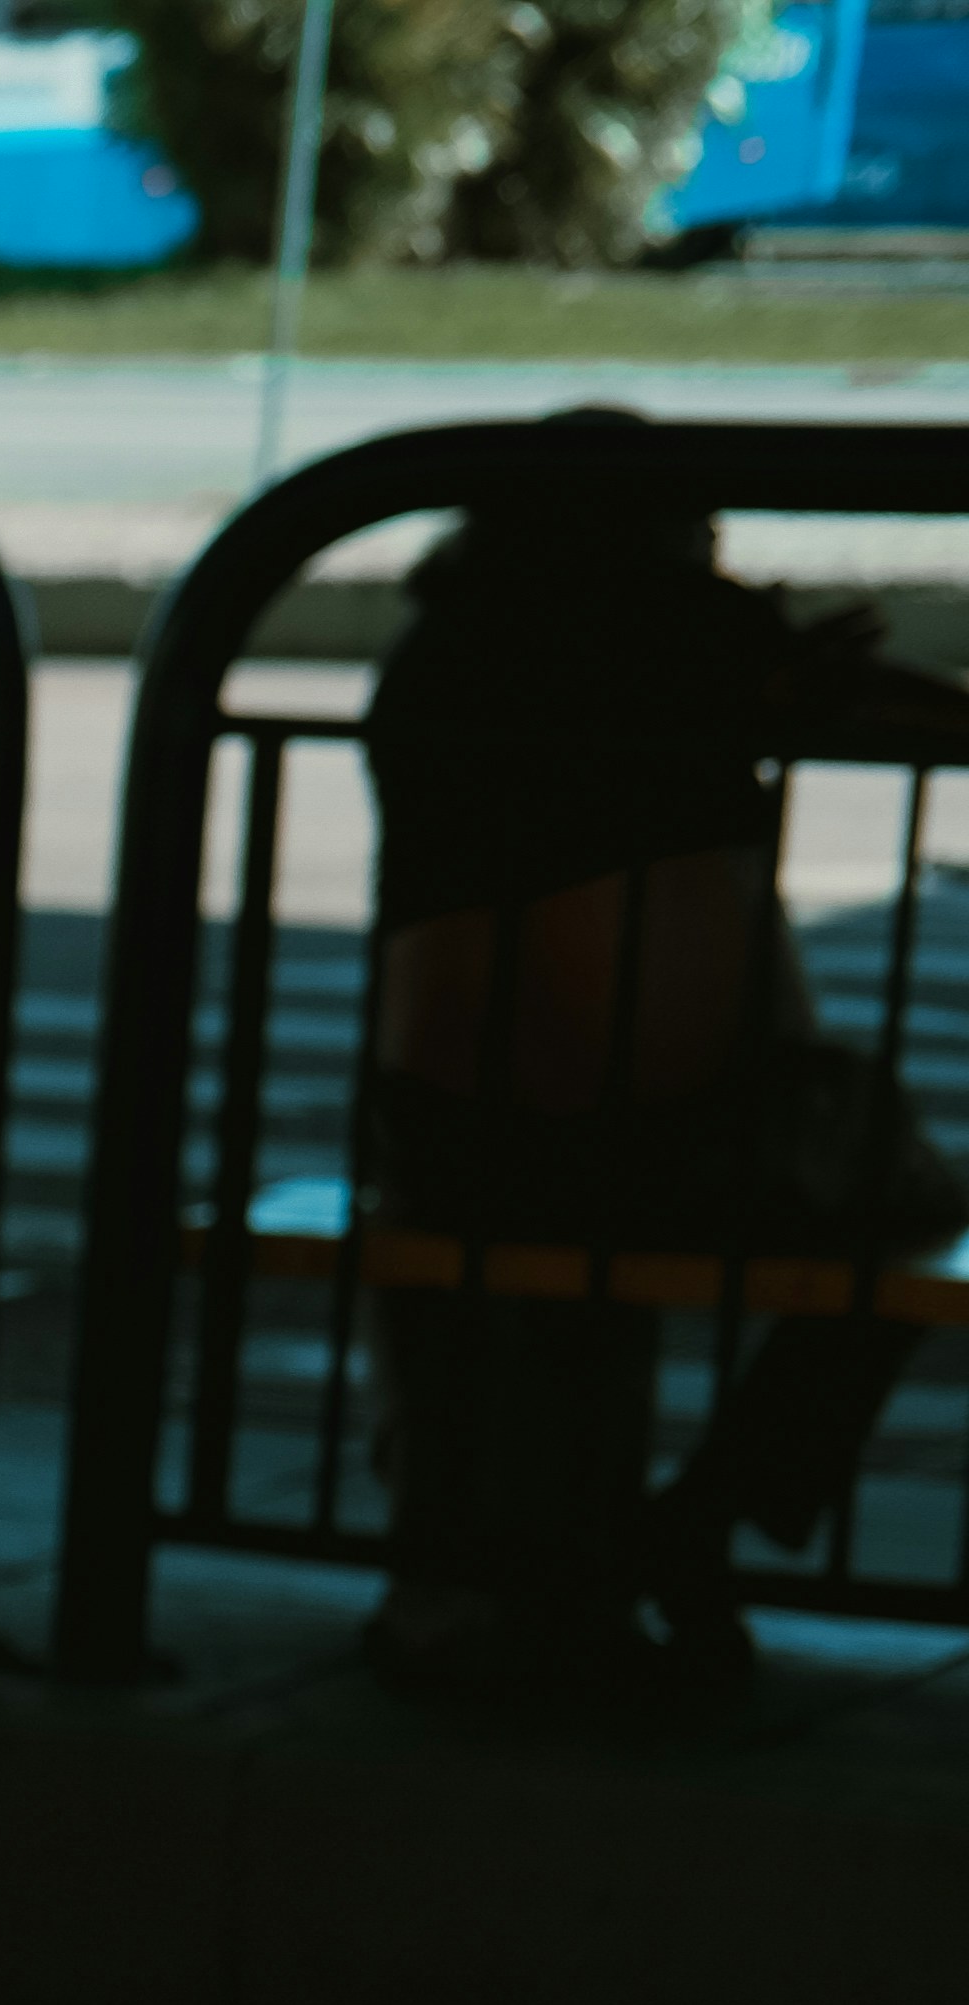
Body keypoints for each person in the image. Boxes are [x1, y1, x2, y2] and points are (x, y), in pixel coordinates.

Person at [351, 420, 969, 1708]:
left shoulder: (437, 657)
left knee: (531, 1259)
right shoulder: (686, 637)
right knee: (915, 1208)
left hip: (438, 1133)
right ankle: (712, 1507)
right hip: (673, 1141)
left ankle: (497, 1574)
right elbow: (911, 712)